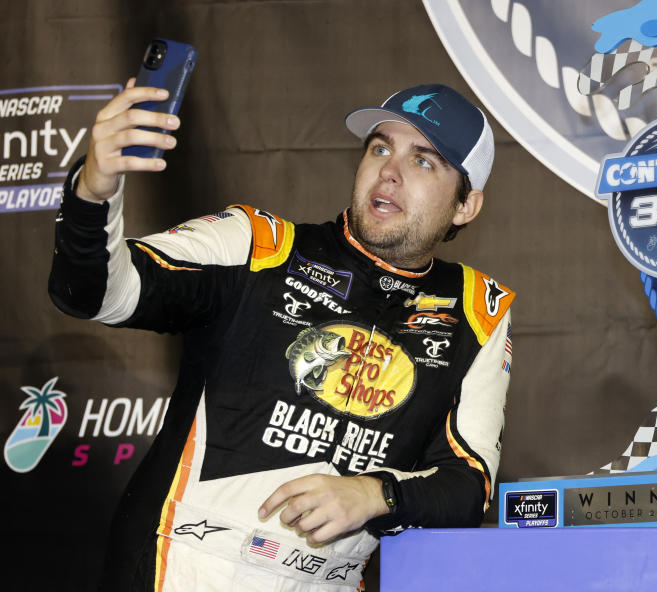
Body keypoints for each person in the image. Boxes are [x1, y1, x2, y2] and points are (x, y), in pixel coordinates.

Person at [49, 81, 514, 591]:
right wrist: (93, 193)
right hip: (179, 567)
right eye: (381, 147)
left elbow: (467, 486)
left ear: (466, 206)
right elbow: (99, 293)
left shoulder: (477, 312)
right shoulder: (259, 244)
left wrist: (375, 495)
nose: (389, 171)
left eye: (424, 161)